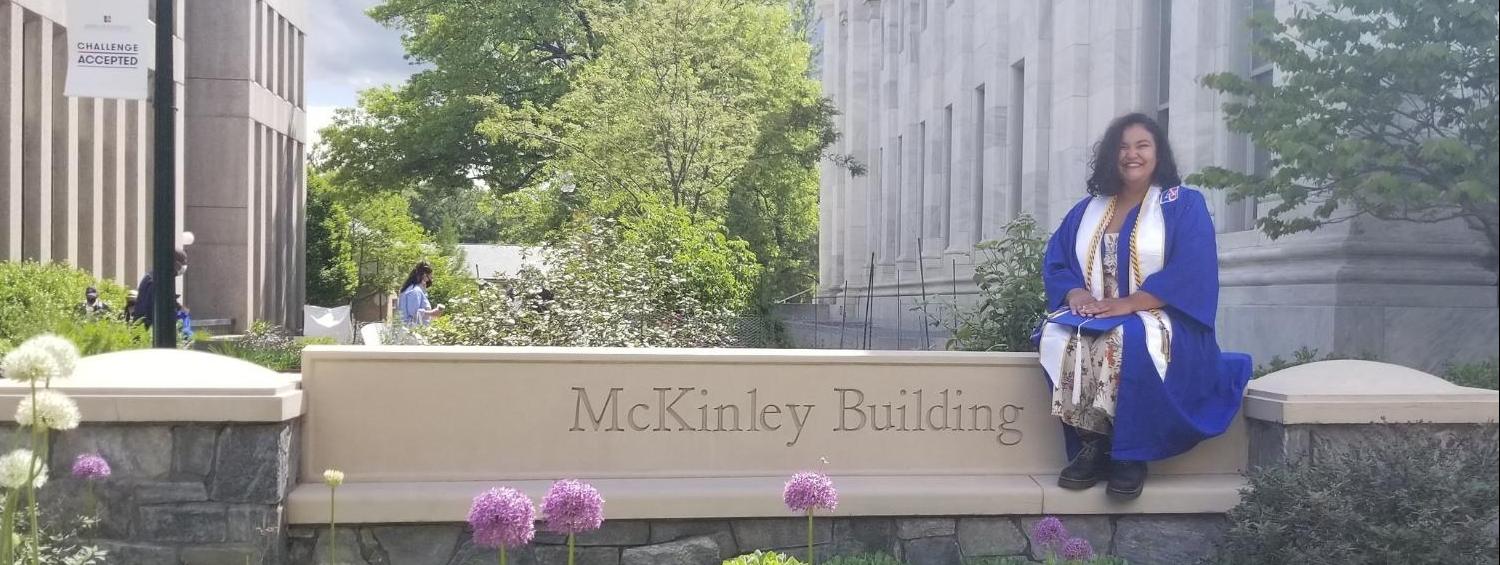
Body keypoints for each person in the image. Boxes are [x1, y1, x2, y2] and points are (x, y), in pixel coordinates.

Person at [1036, 113, 1251, 499]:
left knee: (1128, 337)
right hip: (1099, 312)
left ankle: (1129, 455)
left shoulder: (1182, 205)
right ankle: (1093, 444)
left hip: (1164, 315)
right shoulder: (1088, 210)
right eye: (1122, 146)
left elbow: (1193, 267)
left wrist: (1130, 303)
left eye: (1142, 145)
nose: (1131, 154)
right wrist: (1076, 295)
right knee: (1058, 333)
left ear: (1158, 153)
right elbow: (1057, 260)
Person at [134, 248, 188, 330]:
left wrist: (179, 308)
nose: (184, 267)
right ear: (176, 264)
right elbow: (155, 306)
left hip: (147, 326)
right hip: (150, 329)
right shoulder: (158, 280)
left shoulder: (157, 276)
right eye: (183, 263)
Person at [396, 261, 444, 327]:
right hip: (412, 332)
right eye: (431, 275)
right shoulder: (415, 290)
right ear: (424, 274)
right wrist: (433, 313)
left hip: (407, 330)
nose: (431, 279)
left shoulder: (410, 288)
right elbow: (414, 313)